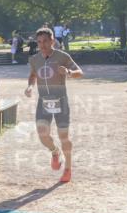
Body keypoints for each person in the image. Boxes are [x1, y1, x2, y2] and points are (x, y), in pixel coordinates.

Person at [25, 27, 83, 183]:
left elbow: (80, 72)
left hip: (60, 101)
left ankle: (68, 169)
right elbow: (32, 76)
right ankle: (55, 152)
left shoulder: (62, 56)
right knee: (42, 134)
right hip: (43, 101)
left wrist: (69, 73)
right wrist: (30, 86)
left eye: (45, 41)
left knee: (63, 136)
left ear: (52, 41)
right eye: (39, 42)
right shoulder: (34, 59)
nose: (42, 45)